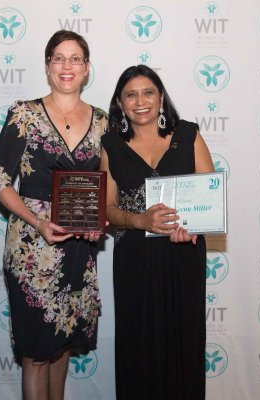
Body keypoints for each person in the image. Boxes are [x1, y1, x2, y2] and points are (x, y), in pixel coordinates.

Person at [0, 30, 108, 400]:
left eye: (75, 58)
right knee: (36, 354)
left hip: (78, 248)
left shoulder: (104, 122)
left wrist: (99, 221)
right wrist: (38, 221)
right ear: (47, 66)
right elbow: (0, 182)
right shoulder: (23, 114)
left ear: (87, 68)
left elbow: (107, 186)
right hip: (32, 249)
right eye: (59, 58)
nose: (67, 66)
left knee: (62, 349)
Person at [100, 64, 215, 400]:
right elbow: (106, 211)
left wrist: (191, 228)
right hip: (135, 262)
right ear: (120, 104)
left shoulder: (189, 135)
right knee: (140, 348)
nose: (140, 101)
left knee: (184, 342)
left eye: (148, 92)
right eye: (130, 95)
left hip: (183, 256)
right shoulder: (111, 145)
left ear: (161, 98)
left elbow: (209, 198)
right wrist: (141, 221)